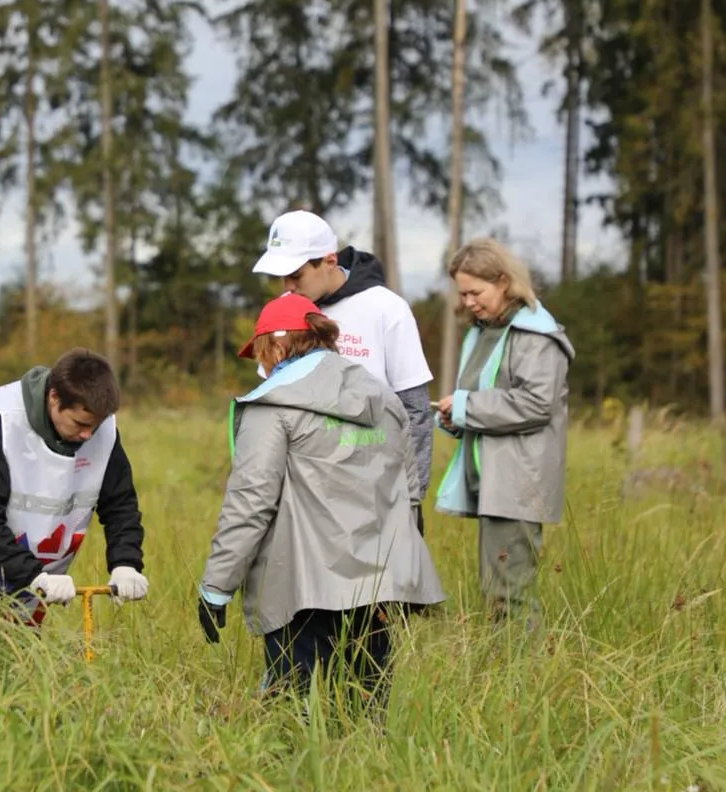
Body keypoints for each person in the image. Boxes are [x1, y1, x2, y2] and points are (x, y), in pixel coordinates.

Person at [197, 293, 444, 715]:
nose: (262, 365)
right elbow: (409, 492)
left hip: (302, 589)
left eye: (260, 353)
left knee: (290, 711)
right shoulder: (383, 400)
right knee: (368, 710)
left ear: (277, 345)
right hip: (378, 586)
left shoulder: (272, 407)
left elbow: (251, 503)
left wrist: (217, 587)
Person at [0, 348, 148, 624]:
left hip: (26, 556)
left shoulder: (100, 426)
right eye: (80, 423)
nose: (88, 435)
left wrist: (126, 563)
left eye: (95, 426)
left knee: (20, 652)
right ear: (54, 398)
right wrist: (33, 575)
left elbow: (120, 504)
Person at [252, 210, 435, 533]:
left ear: (329, 260)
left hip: (378, 487)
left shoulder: (386, 308)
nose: (288, 287)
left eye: (297, 276)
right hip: (307, 492)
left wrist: (411, 496)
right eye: (282, 278)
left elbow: (415, 409)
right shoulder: (284, 308)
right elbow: (270, 402)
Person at [434, 238, 574, 629]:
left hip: (518, 484)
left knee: (510, 595)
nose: (468, 302)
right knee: (497, 592)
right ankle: (507, 674)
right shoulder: (484, 331)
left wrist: (466, 408)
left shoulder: (536, 336)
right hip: (493, 483)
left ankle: (524, 680)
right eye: (462, 295)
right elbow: (485, 399)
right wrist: (454, 418)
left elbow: (536, 404)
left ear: (503, 281)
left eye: (475, 292)